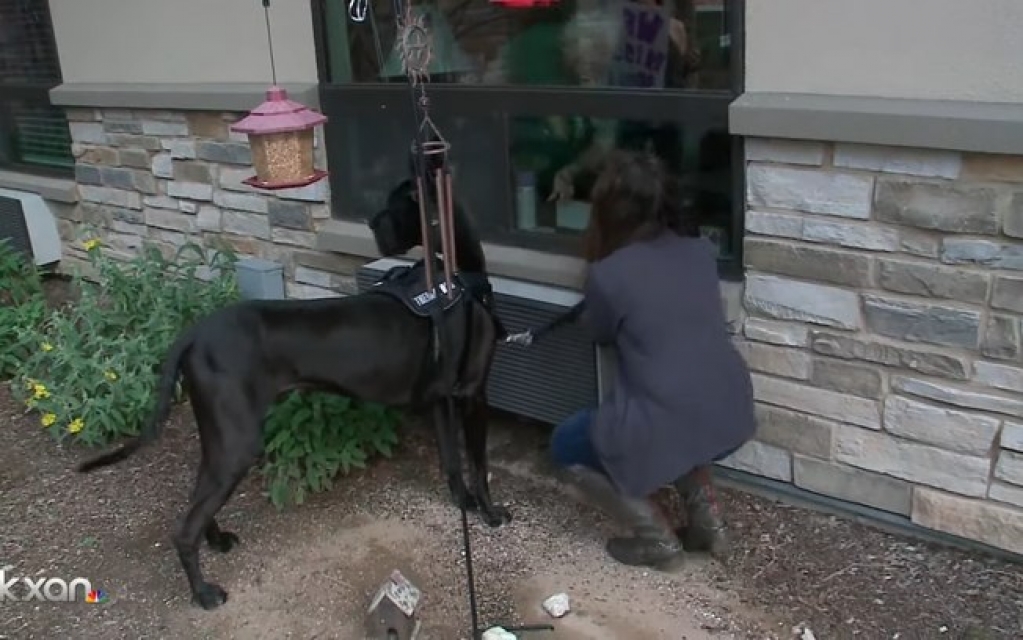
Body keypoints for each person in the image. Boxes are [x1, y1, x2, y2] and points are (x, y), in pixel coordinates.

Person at [550, 149, 756, 570]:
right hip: (730, 409)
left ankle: (656, 541)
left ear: (607, 211)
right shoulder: (700, 251)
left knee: (567, 444)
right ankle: (709, 525)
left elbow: (601, 333)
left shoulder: (608, 274)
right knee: (681, 422)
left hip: (667, 415)